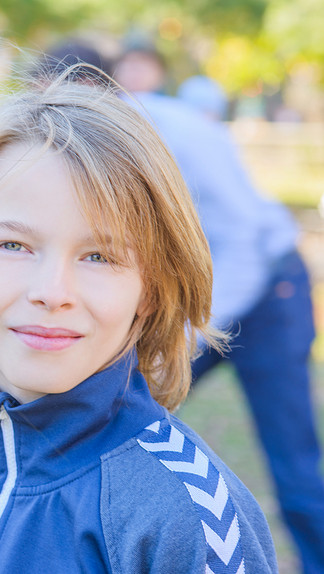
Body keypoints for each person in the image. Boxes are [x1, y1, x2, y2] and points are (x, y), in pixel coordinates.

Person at [0, 69, 277, 573]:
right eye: (13, 245)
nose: (52, 293)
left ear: (150, 289)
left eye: (99, 256)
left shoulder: (187, 518)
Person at [113, 46, 324, 574]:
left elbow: (246, 242)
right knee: (117, 413)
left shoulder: (177, 132)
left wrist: (188, 333)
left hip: (268, 292)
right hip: (204, 300)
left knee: (293, 465)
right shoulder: (97, 146)